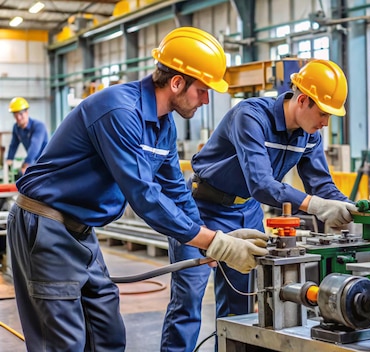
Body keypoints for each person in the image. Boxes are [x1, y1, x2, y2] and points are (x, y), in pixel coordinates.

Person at [7, 27, 269, 352]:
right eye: (202, 90)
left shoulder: (163, 126)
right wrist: (215, 241)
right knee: (63, 342)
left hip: (81, 231)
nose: (206, 99)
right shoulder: (120, 111)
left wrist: (210, 241)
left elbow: (175, 191)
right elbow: (144, 196)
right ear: (176, 82)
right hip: (45, 225)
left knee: (107, 334)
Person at [161, 59, 357, 351]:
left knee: (240, 303)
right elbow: (262, 183)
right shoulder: (251, 116)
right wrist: (316, 205)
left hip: (246, 212)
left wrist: (350, 208)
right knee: (188, 298)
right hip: (201, 209)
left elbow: (321, 185)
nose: (326, 123)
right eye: (324, 113)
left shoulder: (309, 136)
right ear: (302, 100)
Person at [6, 97, 48, 178]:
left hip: (45, 162)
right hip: (33, 161)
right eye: (15, 115)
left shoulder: (38, 126)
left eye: (21, 114)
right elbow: (13, 145)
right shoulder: (16, 128)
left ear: (27, 112)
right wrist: (9, 160)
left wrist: (26, 164)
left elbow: (34, 147)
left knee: (25, 174)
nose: (18, 118)